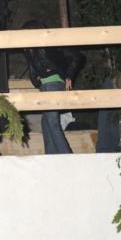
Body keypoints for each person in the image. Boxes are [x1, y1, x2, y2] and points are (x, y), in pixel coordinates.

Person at [22, 20, 85, 155]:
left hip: (54, 83)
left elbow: (76, 56)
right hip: (44, 86)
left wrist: (69, 76)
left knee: (52, 121)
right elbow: (32, 69)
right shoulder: (28, 49)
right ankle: (51, 157)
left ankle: (67, 156)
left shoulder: (49, 45)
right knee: (46, 122)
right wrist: (36, 80)